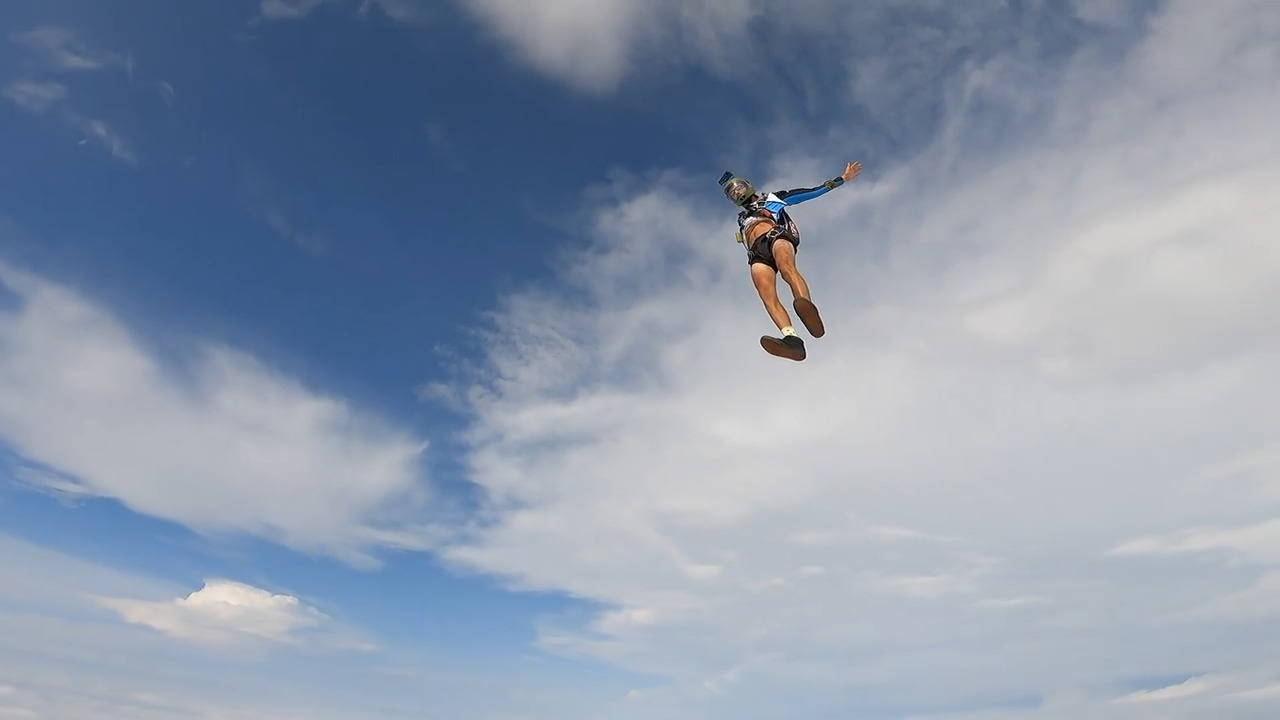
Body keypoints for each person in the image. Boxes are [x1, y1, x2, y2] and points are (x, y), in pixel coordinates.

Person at [719, 161, 862, 361]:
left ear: (748, 185)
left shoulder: (772, 199)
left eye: (739, 188)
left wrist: (842, 179)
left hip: (775, 236)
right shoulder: (742, 218)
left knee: (787, 269)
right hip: (757, 253)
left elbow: (811, 192)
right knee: (766, 293)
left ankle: (806, 306)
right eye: (732, 194)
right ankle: (792, 340)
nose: (737, 193)